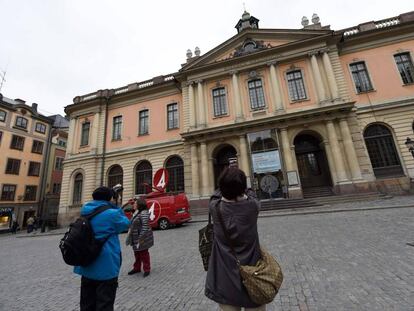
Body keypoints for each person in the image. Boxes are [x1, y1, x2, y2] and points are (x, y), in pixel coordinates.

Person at [205, 167, 265, 311]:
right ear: (242, 188)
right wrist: (240, 185)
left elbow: (215, 194)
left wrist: (226, 184)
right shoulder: (253, 206)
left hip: (225, 279)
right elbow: (251, 193)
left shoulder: (215, 207)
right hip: (254, 276)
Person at [74, 186, 130, 311]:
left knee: (87, 304)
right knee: (105, 304)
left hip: (87, 264)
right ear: (110, 198)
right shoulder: (112, 213)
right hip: (106, 267)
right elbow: (126, 223)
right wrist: (117, 205)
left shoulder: (86, 209)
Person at [127, 198, 154, 277]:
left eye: (135, 203)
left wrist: (140, 239)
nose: (134, 205)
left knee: (144, 253)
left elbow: (145, 227)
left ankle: (147, 269)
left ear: (139, 205)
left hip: (142, 238)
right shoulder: (136, 212)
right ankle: (137, 268)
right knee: (137, 253)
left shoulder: (144, 213)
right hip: (135, 237)